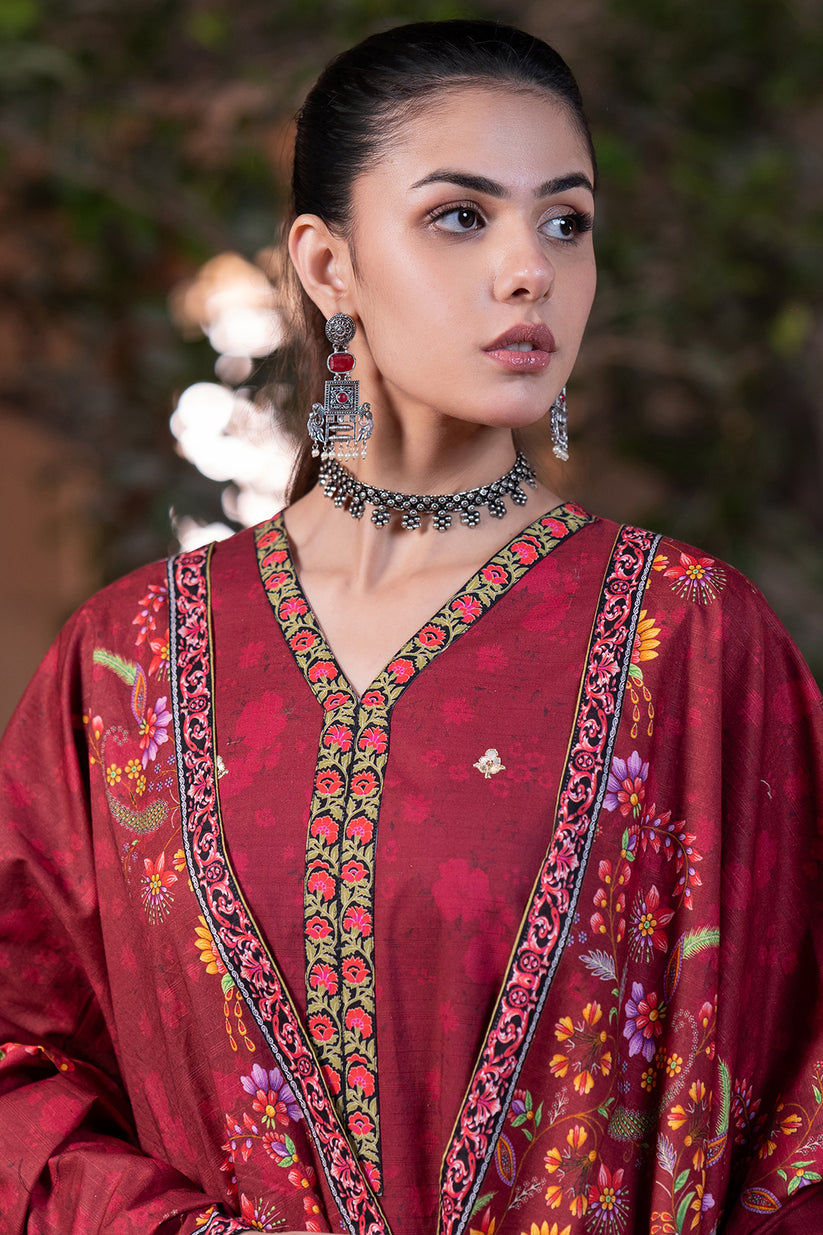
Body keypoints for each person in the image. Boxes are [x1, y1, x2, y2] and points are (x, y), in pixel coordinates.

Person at [0, 18, 821, 1235]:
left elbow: (799, 1113)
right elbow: (20, 1065)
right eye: (460, 216)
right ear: (328, 266)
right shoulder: (126, 664)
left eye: (566, 222)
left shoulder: (691, 642)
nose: (529, 270)